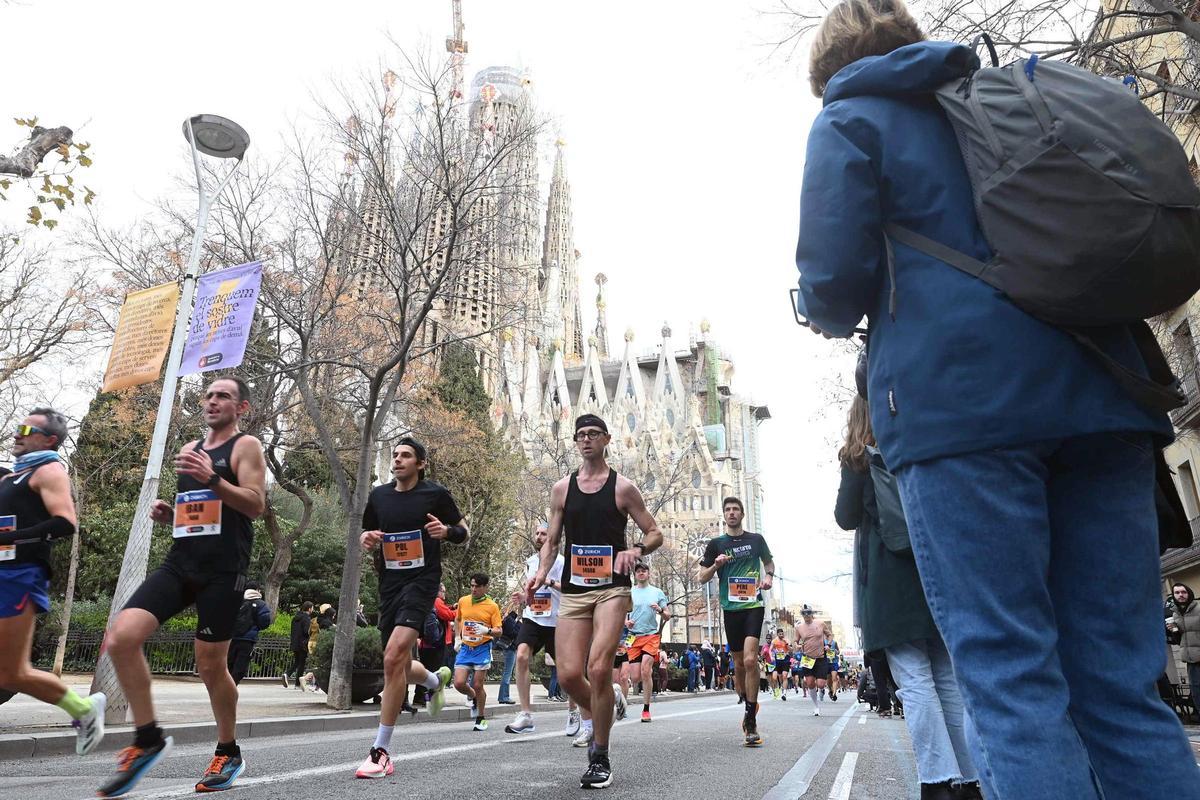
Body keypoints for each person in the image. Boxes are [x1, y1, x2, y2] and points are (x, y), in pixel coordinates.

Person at [795, 1, 1200, 796]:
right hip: (1102, 398)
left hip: (962, 418)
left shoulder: (849, 120)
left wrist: (816, 303)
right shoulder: (1001, 96)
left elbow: (835, 287)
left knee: (1011, 676)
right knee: (1121, 685)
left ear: (829, 68)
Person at [100, 377, 267, 797]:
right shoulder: (190, 451)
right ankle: (148, 738)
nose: (213, 401)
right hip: (180, 563)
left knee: (211, 666)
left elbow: (254, 504)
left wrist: (212, 478)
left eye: (223, 396)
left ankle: (228, 751)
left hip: (223, 571)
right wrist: (171, 515)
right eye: (209, 395)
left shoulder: (246, 447)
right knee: (121, 637)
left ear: (241, 407)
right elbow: (204, 515)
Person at [837, 393, 980, 799]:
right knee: (948, 680)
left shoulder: (858, 458)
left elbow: (846, 516)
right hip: (935, 569)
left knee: (915, 682)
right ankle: (969, 781)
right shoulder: (920, 442)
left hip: (888, 581)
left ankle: (937, 782)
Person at [527, 413, 663, 790]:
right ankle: (609, 703)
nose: (586, 440)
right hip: (573, 590)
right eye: (580, 435)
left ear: (606, 439)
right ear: (576, 442)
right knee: (570, 675)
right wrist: (541, 573)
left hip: (612, 590)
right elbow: (552, 541)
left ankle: (599, 755)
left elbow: (654, 533)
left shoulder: (623, 488)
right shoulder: (561, 489)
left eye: (593, 434)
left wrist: (634, 550)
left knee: (599, 667)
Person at [354, 437, 465, 779]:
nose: (398, 460)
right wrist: (367, 538)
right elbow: (368, 530)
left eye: (406, 456)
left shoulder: (435, 495)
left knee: (392, 657)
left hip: (423, 582)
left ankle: (381, 752)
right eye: (396, 455)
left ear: (420, 464)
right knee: (399, 664)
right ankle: (433, 681)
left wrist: (446, 531)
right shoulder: (379, 496)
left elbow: (463, 531)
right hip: (389, 584)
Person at [0, 408, 105, 756]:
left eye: (27, 429)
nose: (18, 433)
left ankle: (84, 709)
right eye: (17, 427)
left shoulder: (49, 470)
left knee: (12, 674)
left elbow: (65, 522)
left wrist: (13, 537)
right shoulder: (10, 478)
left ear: (49, 440)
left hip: (19, 576)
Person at [697, 496, 774, 746]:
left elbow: (769, 562)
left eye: (736, 510)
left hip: (753, 604)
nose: (732, 513)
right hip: (731, 609)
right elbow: (701, 577)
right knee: (739, 663)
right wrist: (715, 566)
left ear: (742, 514)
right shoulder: (716, 544)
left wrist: (769, 577)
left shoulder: (756, 540)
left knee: (751, 660)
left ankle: (750, 719)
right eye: (728, 510)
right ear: (724, 515)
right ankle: (745, 697)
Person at [505, 522, 583, 736]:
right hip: (533, 618)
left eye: (543, 533)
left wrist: (548, 581)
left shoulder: (562, 562)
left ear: (552, 537)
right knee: (521, 656)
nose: (539, 536)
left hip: (557, 621)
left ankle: (573, 710)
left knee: (567, 672)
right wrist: (522, 597)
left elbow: (569, 589)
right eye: (537, 533)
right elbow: (531, 589)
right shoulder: (530, 561)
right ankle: (526, 715)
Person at [453, 572, 502, 731]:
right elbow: (458, 619)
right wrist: (457, 638)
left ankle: (481, 718)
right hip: (466, 647)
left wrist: (486, 630)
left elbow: (499, 631)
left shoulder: (492, 606)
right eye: (472, 586)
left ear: (485, 587)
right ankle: (474, 697)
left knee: (478, 684)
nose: (474, 589)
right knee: (459, 683)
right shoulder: (463, 601)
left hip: (482, 648)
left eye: (477, 587)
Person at [626, 562, 670, 721]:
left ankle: (646, 709)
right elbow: (621, 613)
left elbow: (667, 615)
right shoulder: (629, 592)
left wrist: (660, 610)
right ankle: (642, 679)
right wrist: (626, 623)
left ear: (649, 574)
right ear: (635, 575)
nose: (641, 573)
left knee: (646, 670)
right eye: (638, 571)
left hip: (651, 636)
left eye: (644, 571)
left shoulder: (657, 592)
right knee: (635, 677)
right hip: (632, 636)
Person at [414, 583, 457, 707]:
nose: (444, 595)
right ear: (438, 591)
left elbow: (445, 610)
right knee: (432, 673)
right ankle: (426, 698)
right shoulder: (436, 600)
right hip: (434, 645)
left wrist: (452, 607)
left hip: (428, 644)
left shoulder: (431, 601)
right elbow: (448, 615)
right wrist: (461, 609)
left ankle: (421, 698)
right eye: (443, 591)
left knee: (426, 671)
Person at [226, 580, 272, 685]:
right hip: (247, 640)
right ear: (257, 590)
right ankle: (230, 689)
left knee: (229, 664)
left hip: (231, 638)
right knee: (240, 667)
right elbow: (264, 622)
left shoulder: (236, 601)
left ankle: (224, 688)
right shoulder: (260, 604)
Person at [795, 606, 829, 717]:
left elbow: (829, 634)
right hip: (807, 658)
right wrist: (797, 645)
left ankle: (822, 690)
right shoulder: (799, 627)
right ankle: (816, 707)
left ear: (811, 613)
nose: (806, 615)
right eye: (804, 613)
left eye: (808, 613)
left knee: (820, 684)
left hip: (820, 657)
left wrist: (828, 644)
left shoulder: (820, 623)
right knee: (809, 683)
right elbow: (796, 641)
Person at [1170, 583, 1200, 692]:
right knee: (1196, 693)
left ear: (1189, 593)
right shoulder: (1175, 615)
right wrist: (1174, 631)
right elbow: (1180, 640)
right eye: (1177, 593)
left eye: (1183, 592)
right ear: (1173, 595)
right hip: (1191, 661)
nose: (1180, 595)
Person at [496, 591, 522, 705]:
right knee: (507, 672)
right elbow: (514, 632)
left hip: (509, 647)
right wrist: (520, 624)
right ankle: (504, 697)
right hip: (509, 647)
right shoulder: (510, 619)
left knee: (507, 672)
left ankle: (504, 696)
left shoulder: (508, 618)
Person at [284, 601, 313, 689]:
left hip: (295, 643)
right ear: (309, 608)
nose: (312, 610)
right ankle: (297, 684)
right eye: (312, 608)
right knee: (302, 663)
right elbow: (306, 631)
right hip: (303, 644)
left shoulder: (295, 618)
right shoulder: (306, 618)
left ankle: (287, 674)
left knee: (297, 662)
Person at [769, 628, 790, 700]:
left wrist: (787, 643)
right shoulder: (774, 641)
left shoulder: (786, 640)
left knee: (785, 676)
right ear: (777, 634)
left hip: (785, 659)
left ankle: (784, 693)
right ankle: (781, 686)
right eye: (780, 634)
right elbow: (770, 649)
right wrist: (771, 656)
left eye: (782, 634)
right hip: (777, 660)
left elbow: (790, 650)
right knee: (779, 677)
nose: (781, 635)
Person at [824, 628, 841, 701]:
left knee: (834, 678)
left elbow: (838, 651)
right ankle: (830, 690)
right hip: (826, 662)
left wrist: (835, 651)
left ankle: (834, 694)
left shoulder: (834, 642)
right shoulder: (823, 642)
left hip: (834, 662)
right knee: (828, 679)